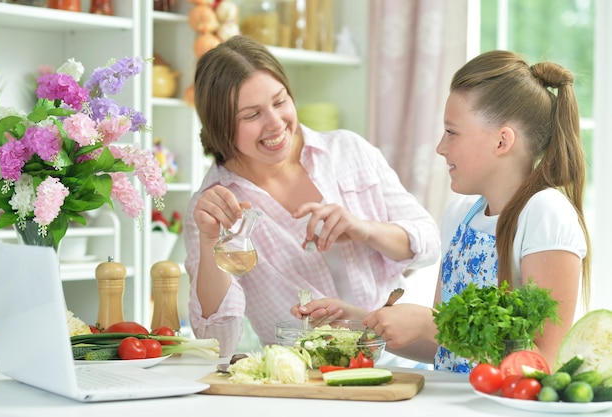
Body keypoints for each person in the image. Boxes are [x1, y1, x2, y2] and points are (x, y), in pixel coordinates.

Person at [184, 35, 441, 357]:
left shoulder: (348, 151)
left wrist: (366, 230)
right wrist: (211, 242)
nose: (276, 124)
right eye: (252, 115)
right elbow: (216, 339)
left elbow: (429, 244)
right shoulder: (214, 208)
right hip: (302, 377)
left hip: (398, 360)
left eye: (279, 102)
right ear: (220, 125)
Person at [362, 50, 591, 372]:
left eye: (452, 132)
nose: (441, 147)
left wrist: (435, 326)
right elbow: (447, 350)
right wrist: (357, 321)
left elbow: (543, 362)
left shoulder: (546, 213)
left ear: (502, 141)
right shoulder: (460, 215)